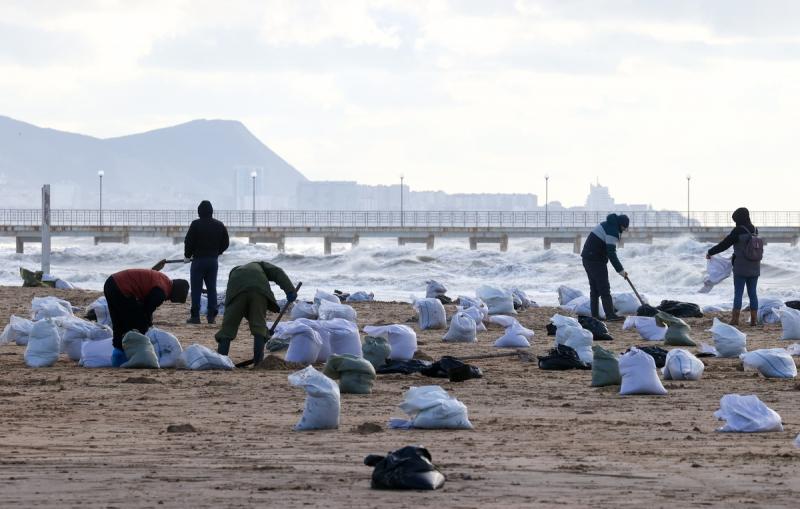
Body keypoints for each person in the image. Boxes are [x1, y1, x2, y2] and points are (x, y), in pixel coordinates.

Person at [214, 261, 297, 366]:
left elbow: (237, 311)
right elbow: (278, 272)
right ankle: (258, 362)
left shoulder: (235, 274)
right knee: (259, 327)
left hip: (237, 291)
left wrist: (265, 332)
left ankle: (221, 360)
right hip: (258, 291)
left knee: (228, 327)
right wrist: (290, 290)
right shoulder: (260, 266)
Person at [103, 269, 189, 367]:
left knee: (118, 322)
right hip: (122, 288)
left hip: (111, 282)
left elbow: (144, 305)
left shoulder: (163, 281)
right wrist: (147, 326)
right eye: (174, 299)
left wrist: (147, 321)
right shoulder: (161, 292)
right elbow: (145, 311)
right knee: (135, 324)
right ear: (175, 293)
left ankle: (118, 357)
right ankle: (130, 356)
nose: (169, 300)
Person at [706, 207, 761, 326]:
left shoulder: (737, 231)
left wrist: (710, 252)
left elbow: (724, 244)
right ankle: (754, 320)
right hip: (755, 266)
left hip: (740, 267)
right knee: (753, 293)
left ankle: (735, 320)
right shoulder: (755, 230)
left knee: (738, 293)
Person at [184, 200, 229, 324]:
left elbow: (188, 241)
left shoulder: (195, 224)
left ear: (199, 212)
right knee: (212, 289)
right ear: (211, 212)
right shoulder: (219, 225)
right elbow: (226, 243)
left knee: (196, 289)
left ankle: (195, 317)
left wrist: (187, 256)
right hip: (212, 261)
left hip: (198, 261)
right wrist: (217, 252)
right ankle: (211, 316)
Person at [580, 213, 630, 321]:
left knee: (595, 290)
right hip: (595, 260)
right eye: (624, 228)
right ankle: (610, 315)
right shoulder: (612, 231)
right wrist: (621, 271)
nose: (624, 230)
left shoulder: (607, 225)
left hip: (587, 258)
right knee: (604, 289)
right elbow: (611, 253)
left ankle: (595, 316)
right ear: (622, 225)